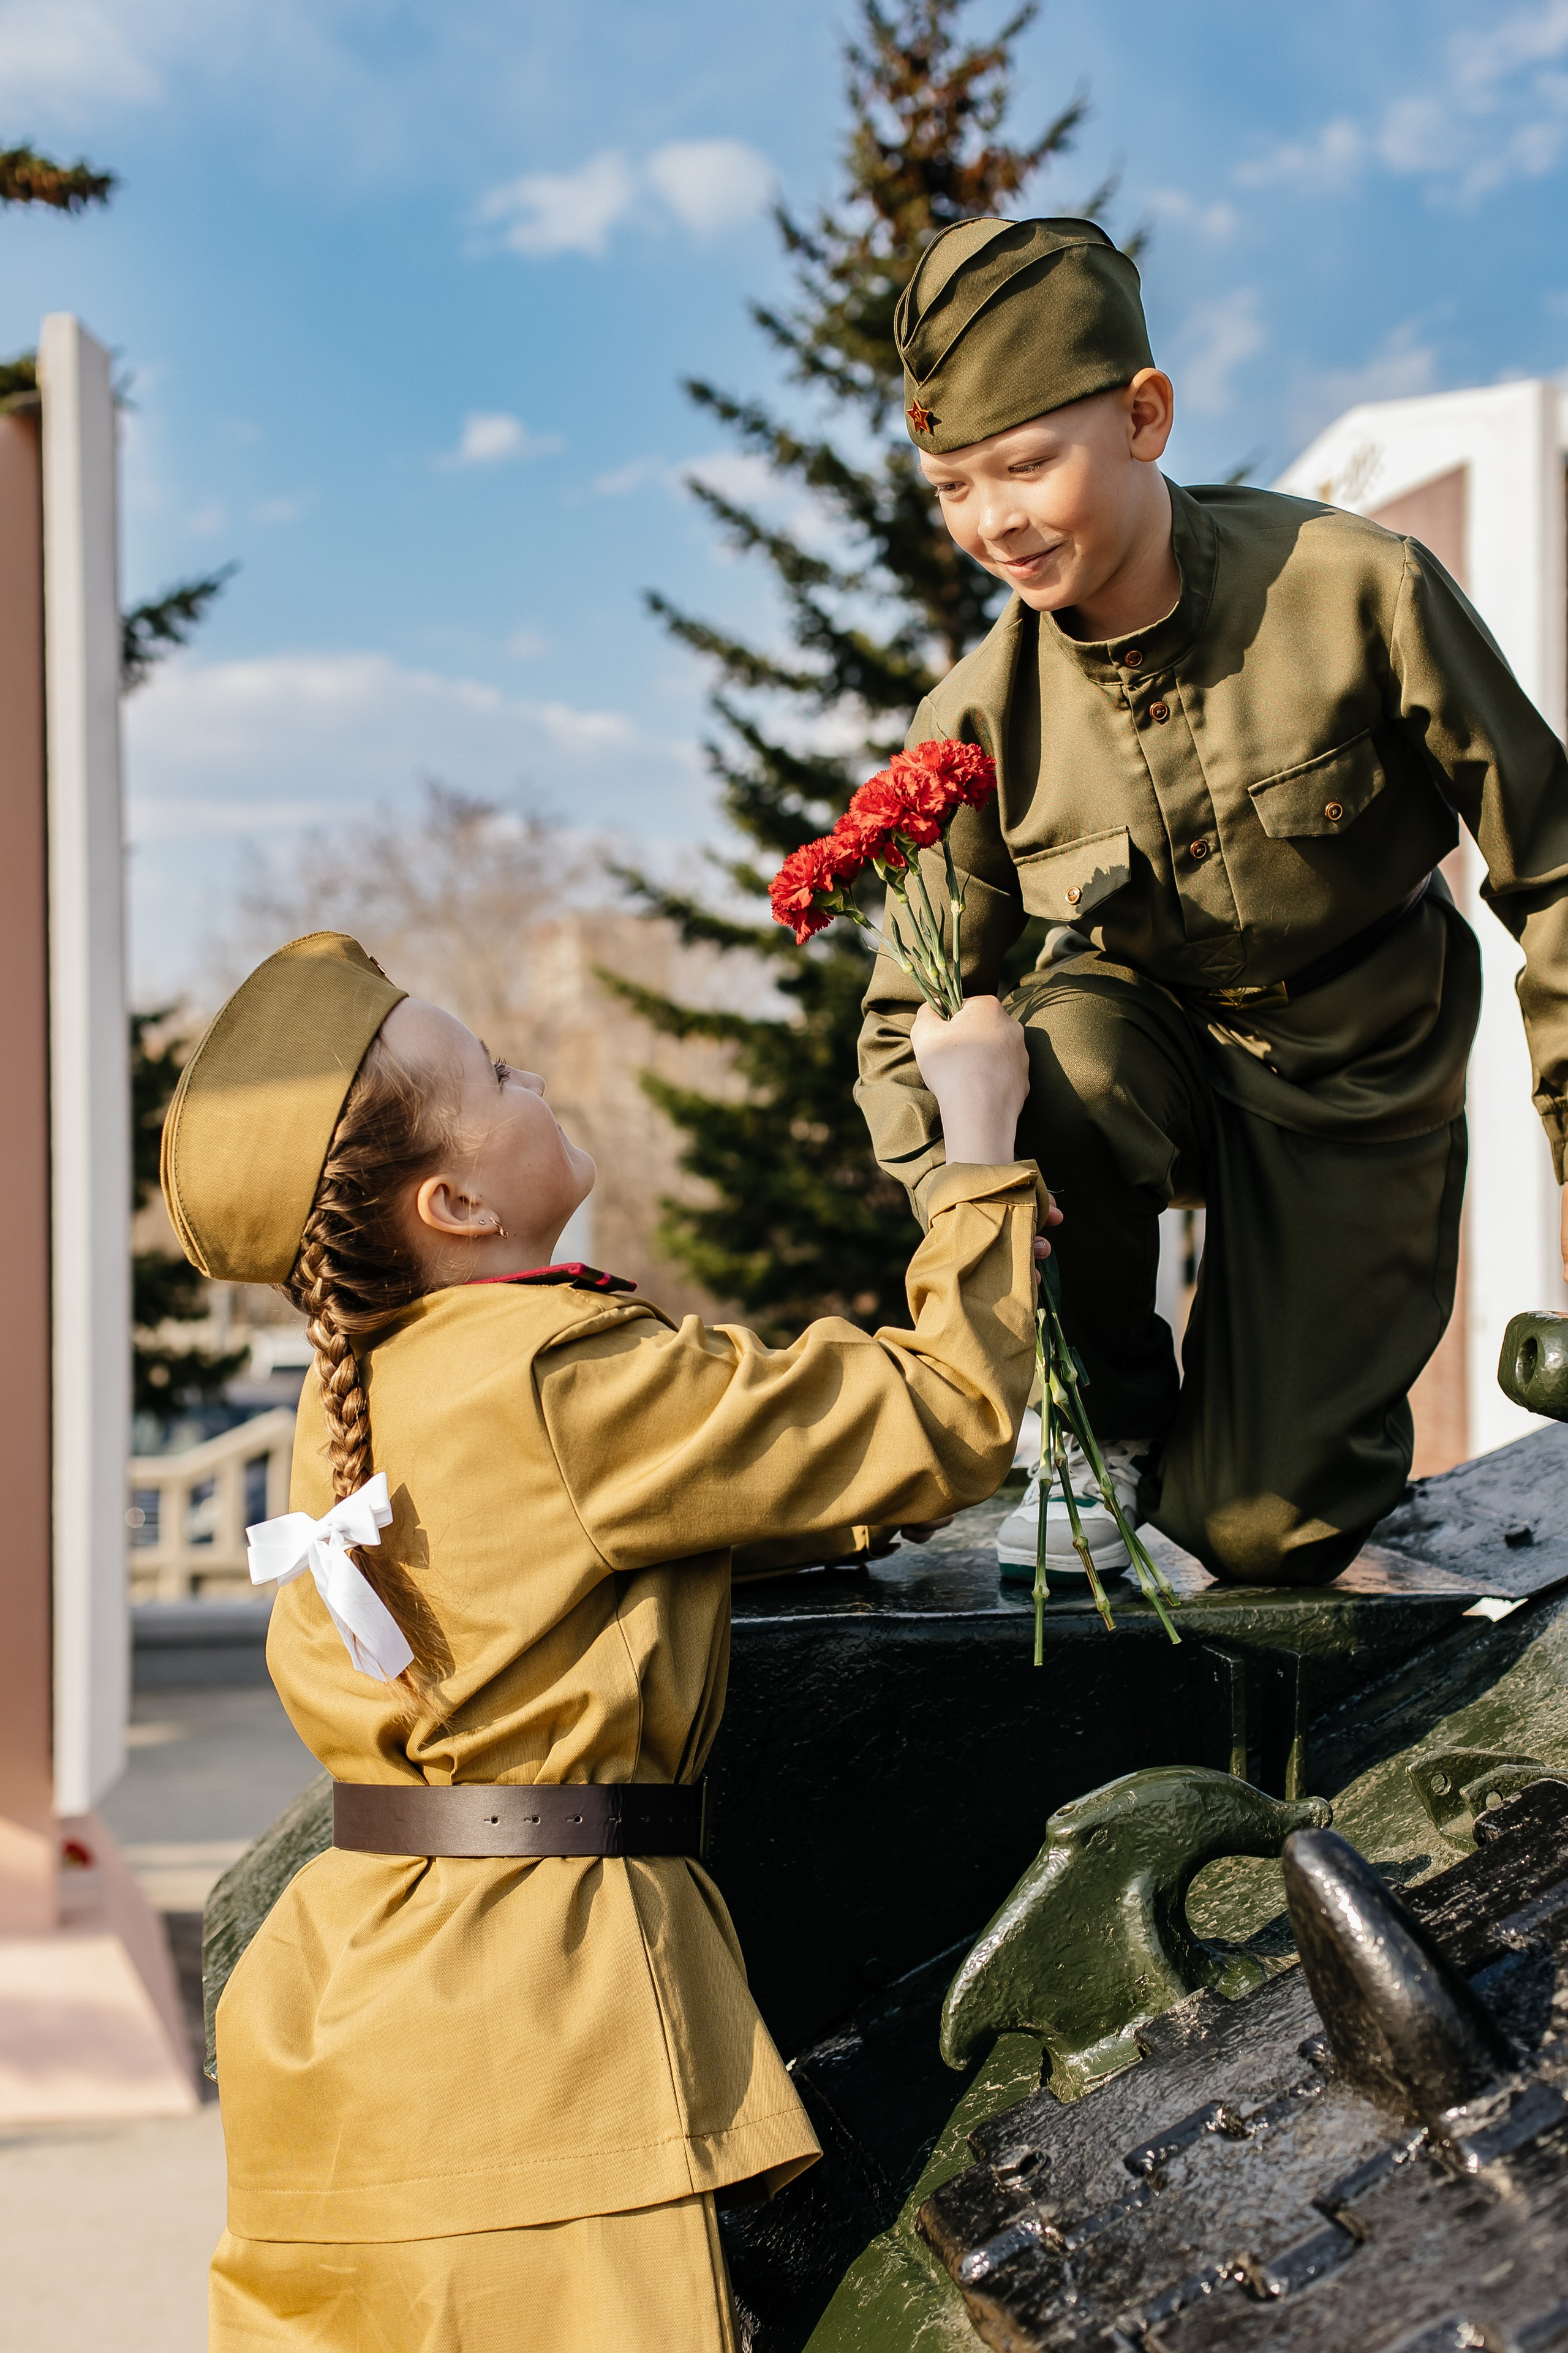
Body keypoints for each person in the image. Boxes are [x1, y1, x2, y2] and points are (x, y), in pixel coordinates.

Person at [161, 931, 1049, 2353]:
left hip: (345, 2005)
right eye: (496, 1073)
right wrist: (977, 1141)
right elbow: (943, 1416)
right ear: (455, 1202)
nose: (532, 1076)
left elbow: (613, 1552)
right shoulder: (559, 1374)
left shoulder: (365, 1391)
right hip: (542, 2026)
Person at [856, 214, 1568, 1589]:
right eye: (951, 484)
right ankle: (1103, 1434)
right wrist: (970, 1198)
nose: (993, 520)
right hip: (1143, 1059)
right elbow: (908, 1021)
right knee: (1048, 1050)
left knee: (1255, 1533)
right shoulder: (974, 723)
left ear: (1144, 415)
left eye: (1026, 464)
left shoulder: (1356, 588)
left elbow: (1550, 858)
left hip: (1361, 1063)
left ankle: (1221, 1473)